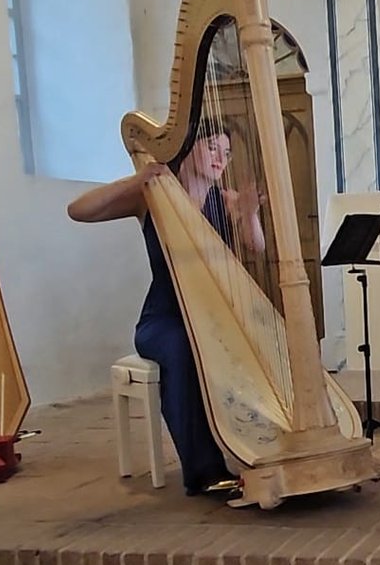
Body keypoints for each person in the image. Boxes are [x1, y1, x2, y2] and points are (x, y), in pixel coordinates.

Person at [68, 123, 266, 497]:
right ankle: (204, 471)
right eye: (211, 148)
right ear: (187, 149)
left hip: (214, 319)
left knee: (257, 343)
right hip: (163, 321)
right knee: (182, 347)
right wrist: (138, 180)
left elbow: (255, 248)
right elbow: (78, 210)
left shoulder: (226, 201)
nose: (220, 159)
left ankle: (263, 447)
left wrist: (250, 212)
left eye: (226, 153)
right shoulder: (152, 197)